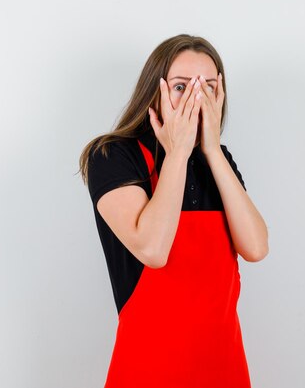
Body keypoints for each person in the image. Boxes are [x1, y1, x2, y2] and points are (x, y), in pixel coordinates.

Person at [78, 34, 269, 388]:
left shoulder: (219, 161)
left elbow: (256, 247)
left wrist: (211, 150)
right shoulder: (113, 156)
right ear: (156, 91)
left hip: (223, 370)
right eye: (182, 86)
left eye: (208, 87)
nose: (197, 99)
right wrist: (178, 154)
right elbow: (152, 249)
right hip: (148, 371)